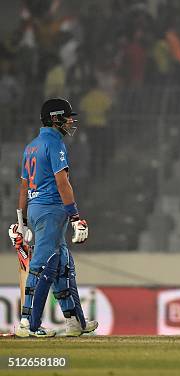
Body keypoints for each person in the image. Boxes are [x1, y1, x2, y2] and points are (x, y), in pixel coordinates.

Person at [11, 98, 97, 337]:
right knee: (41, 265)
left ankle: (74, 322)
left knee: (63, 265)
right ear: (56, 118)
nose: (71, 121)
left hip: (36, 209)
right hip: (51, 209)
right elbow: (63, 182)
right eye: (67, 117)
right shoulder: (54, 144)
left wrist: (21, 220)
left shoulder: (31, 146)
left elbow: (23, 186)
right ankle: (28, 324)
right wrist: (75, 217)